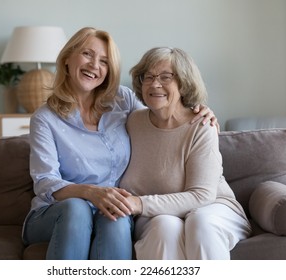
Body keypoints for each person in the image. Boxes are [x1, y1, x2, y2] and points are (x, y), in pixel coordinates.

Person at [22, 27, 218, 260]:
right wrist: (90, 193)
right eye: (87, 54)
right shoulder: (45, 118)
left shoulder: (122, 100)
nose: (95, 65)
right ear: (66, 59)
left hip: (112, 208)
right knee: (78, 209)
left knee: (118, 215)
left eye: (104, 61)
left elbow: (161, 115)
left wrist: (197, 110)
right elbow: (45, 182)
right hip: (57, 212)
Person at [120, 47, 252, 260]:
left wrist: (139, 203)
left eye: (166, 77)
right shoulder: (133, 121)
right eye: (149, 77)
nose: (155, 84)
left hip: (212, 209)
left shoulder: (201, 125)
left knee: (201, 222)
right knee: (165, 227)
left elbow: (202, 196)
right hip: (156, 216)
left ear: (183, 83)